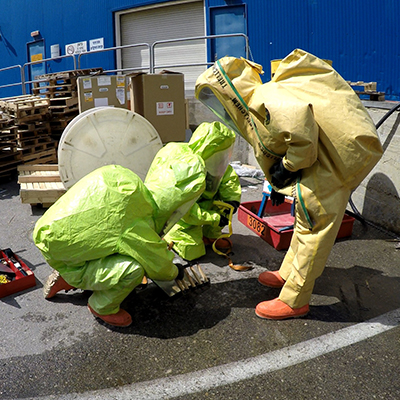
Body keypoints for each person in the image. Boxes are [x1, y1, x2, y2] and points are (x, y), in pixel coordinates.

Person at [194, 48, 383, 319]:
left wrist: (287, 167)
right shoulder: (259, 100)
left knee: (314, 228)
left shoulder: (264, 97)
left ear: (229, 90)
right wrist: (280, 179)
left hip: (327, 166)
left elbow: (302, 134)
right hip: (322, 163)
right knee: (304, 220)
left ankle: (295, 299)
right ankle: (286, 274)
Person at [34, 150, 206, 327]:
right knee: (134, 269)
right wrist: (175, 272)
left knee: (111, 242)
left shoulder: (124, 180)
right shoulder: (135, 222)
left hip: (55, 237)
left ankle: (70, 272)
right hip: (66, 254)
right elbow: (157, 263)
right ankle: (100, 306)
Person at [163, 121, 241, 261]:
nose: (222, 158)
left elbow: (228, 178)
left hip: (202, 207)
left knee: (225, 207)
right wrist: (215, 218)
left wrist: (232, 200)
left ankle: (210, 234)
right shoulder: (186, 168)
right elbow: (187, 211)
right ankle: (170, 234)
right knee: (192, 251)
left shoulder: (218, 165)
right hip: (183, 216)